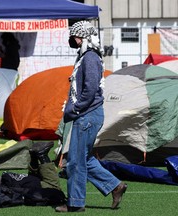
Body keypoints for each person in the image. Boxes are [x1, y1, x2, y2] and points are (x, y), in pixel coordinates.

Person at [55, 21, 127, 213]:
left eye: (76, 36)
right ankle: (115, 186)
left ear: (85, 36)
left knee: (76, 162)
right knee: (83, 158)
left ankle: (76, 203)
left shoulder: (89, 58)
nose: (74, 39)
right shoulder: (87, 56)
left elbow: (90, 89)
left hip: (86, 114)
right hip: (88, 114)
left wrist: (76, 109)